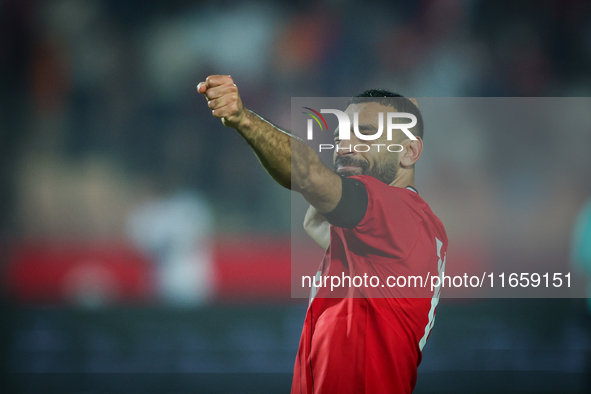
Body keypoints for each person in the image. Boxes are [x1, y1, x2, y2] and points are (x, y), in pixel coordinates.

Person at [197, 75, 447, 394]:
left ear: (410, 152)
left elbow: (310, 177)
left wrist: (243, 118)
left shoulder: (400, 212)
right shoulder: (390, 235)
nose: (345, 146)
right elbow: (315, 217)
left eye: (367, 133)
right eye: (341, 137)